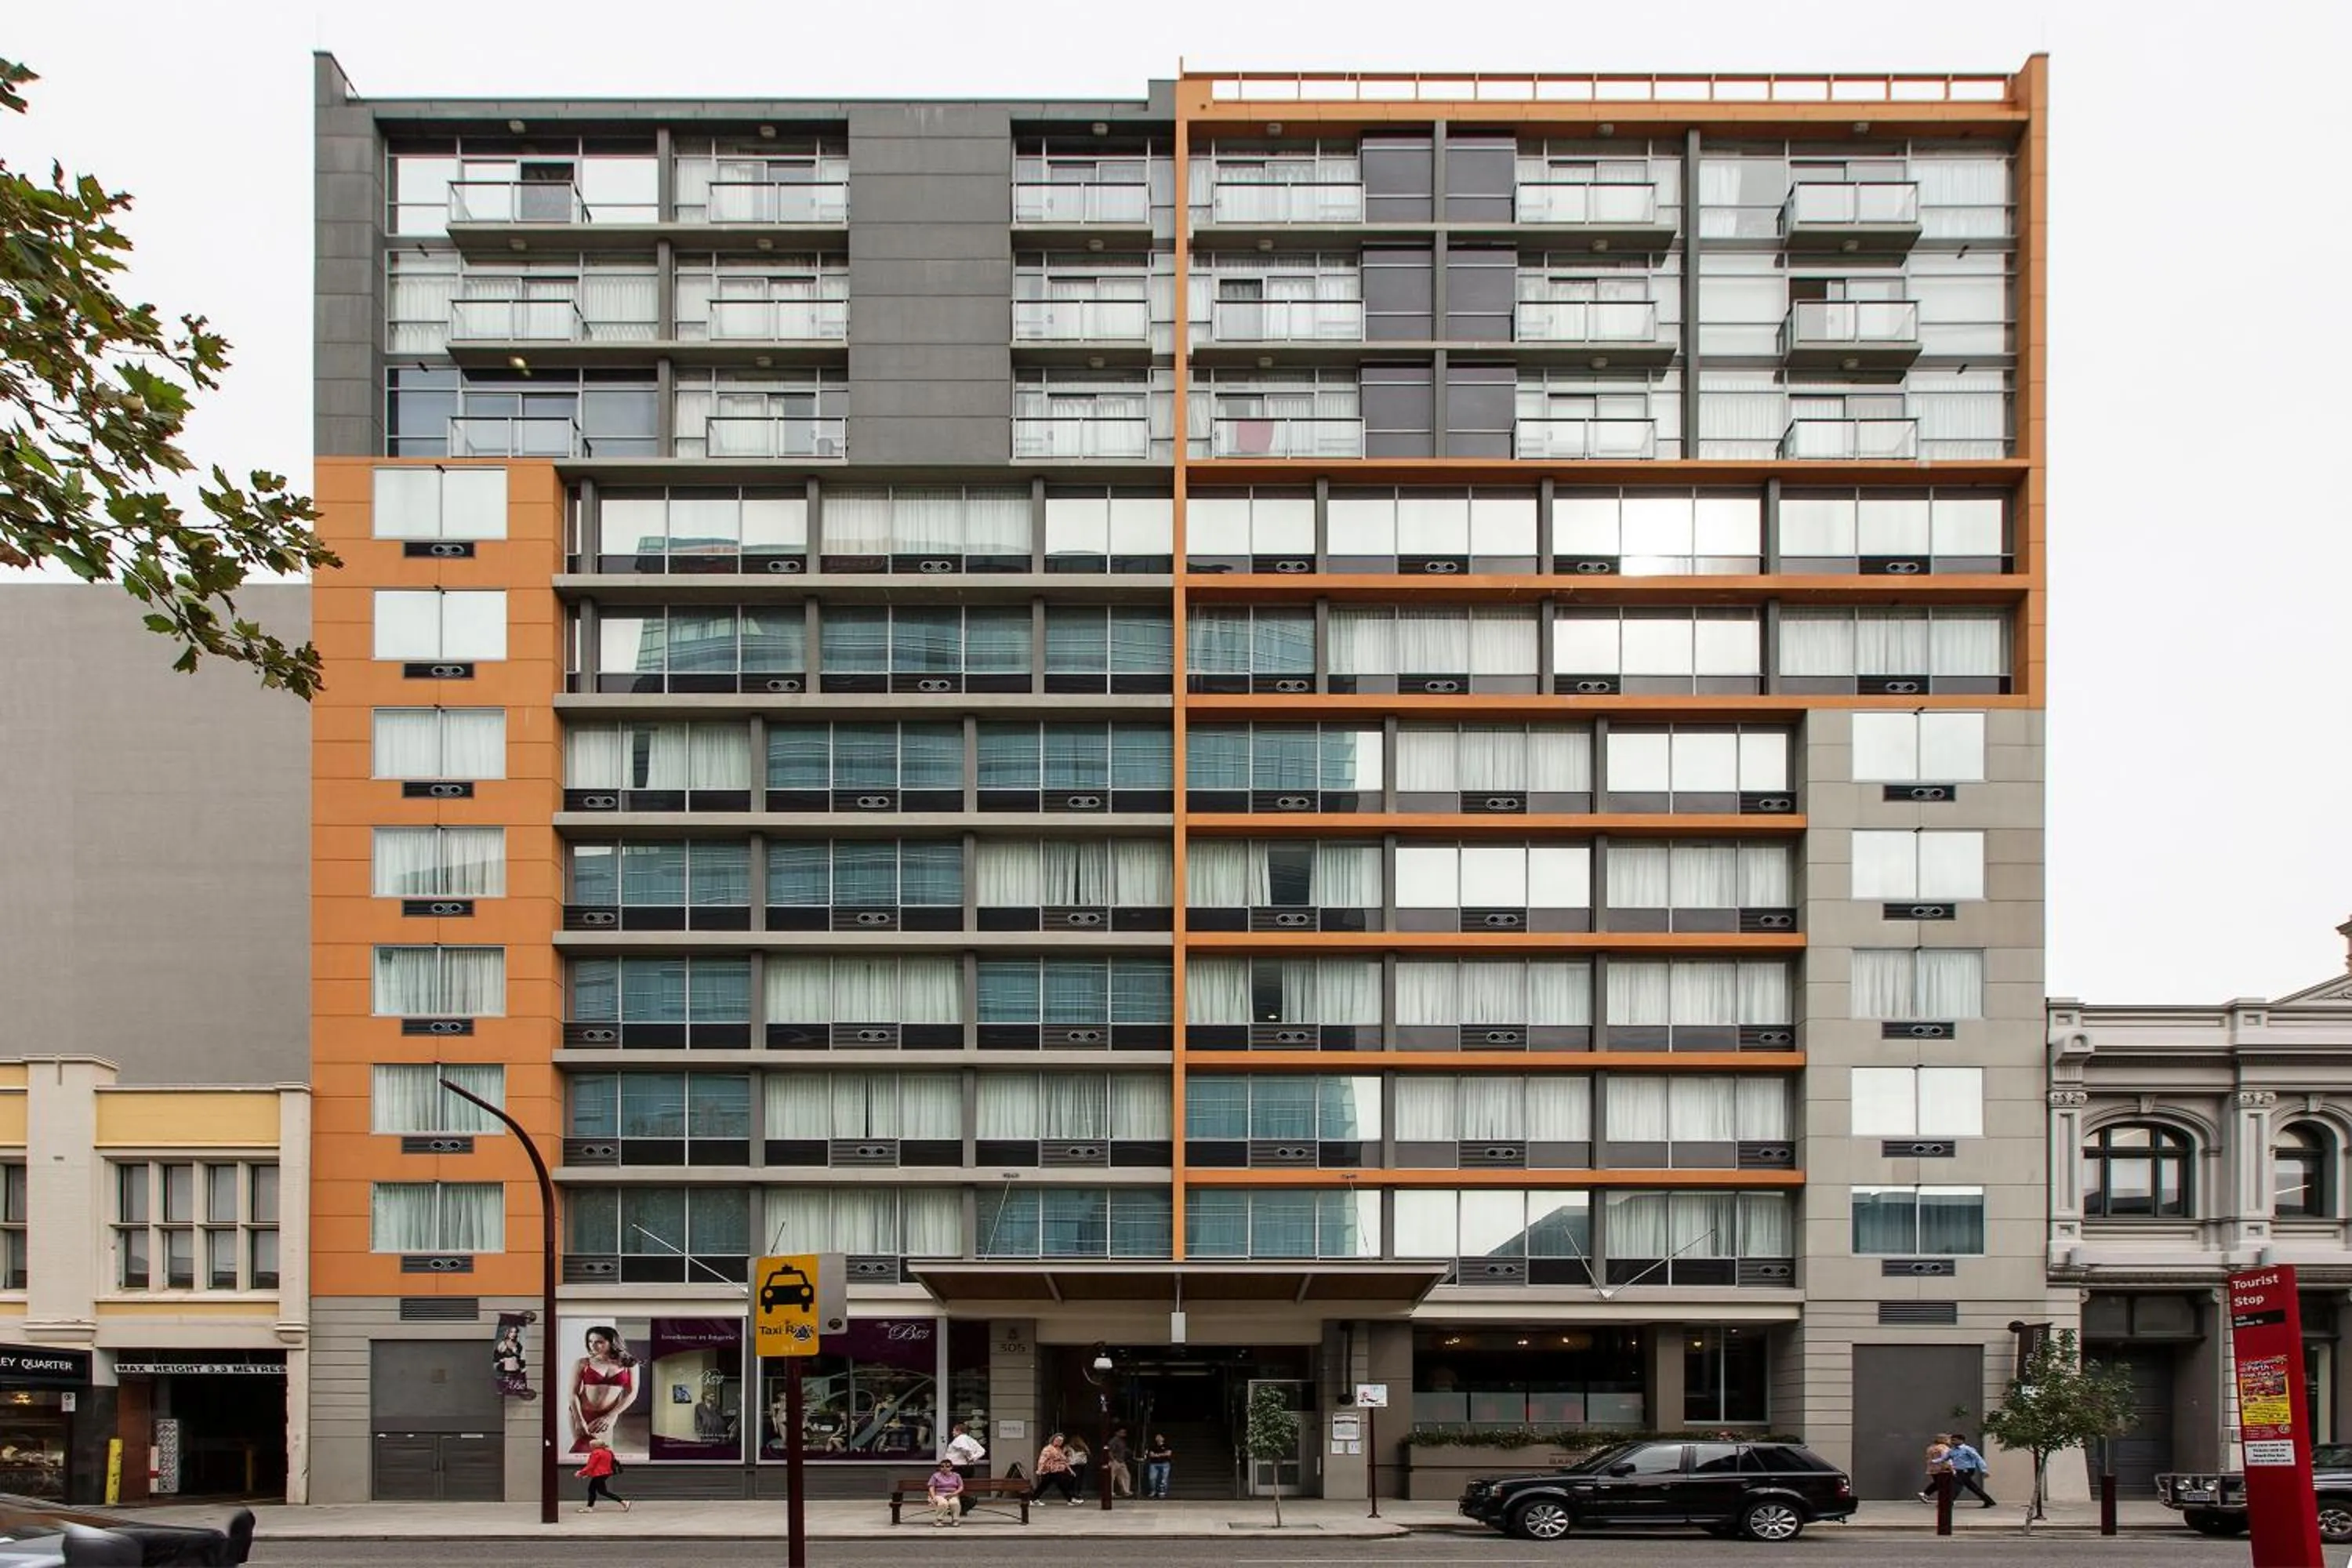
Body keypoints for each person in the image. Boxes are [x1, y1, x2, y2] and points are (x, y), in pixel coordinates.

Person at [568, 1326, 639, 1456]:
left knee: (601, 1453)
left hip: (607, 1415)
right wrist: (579, 1419)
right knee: (581, 1452)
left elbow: (632, 1393)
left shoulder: (629, 1364)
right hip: (581, 1413)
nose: (593, 1346)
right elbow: (573, 1393)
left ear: (611, 1342)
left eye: (599, 1342)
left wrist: (610, 1416)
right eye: (590, 1342)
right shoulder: (583, 1363)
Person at [575, 1436, 630, 1512]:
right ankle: (589, 1507)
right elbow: (601, 1465)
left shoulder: (596, 1453)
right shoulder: (608, 1452)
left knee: (602, 1491)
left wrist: (581, 1473)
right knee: (592, 1489)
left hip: (599, 1474)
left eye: (591, 1445)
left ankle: (624, 1502)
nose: (590, 1446)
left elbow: (591, 1465)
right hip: (606, 1473)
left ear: (595, 1446)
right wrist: (587, 1474)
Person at [943, 1420, 987, 1515]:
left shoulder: (960, 1439)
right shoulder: (970, 1439)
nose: (952, 1432)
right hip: (968, 1468)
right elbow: (982, 1451)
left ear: (959, 1431)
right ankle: (961, 1508)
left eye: (954, 1430)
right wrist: (974, 1458)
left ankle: (967, 1502)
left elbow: (965, 1449)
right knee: (962, 1487)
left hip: (958, 1467)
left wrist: (970, 1457)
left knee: (954, 1487)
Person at [1947, 1432, 1997, 1508]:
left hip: (1967, 1470)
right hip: (1959, 1470)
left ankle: (1949, 1502)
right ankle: (1988, 1501)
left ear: (1961, 1441)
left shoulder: (1968, 1449)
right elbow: (1946, 1457)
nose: (1952, 1442)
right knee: (1972, 1486)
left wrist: (1983, 1470)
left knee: (1957, 1485)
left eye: (1954, 1440)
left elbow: (1978, 1458)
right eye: (1952, 1440)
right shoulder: (1953, 1450)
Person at [1033, 1432, 1080, 1504]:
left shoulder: (1058, 1449)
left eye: (1061, 1441)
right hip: (1050, 1470)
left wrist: (1070, 1470)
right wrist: (1040, 1469)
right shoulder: (1048, 1449)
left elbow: (1064, 1461)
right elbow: (1042, 1459)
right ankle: (1070, 1499)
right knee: (1047, 1485)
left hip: (1057, 1470)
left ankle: (1070, 1499)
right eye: (1058, 1440)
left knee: (1058, 1485)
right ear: (1053, 1440)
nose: (1060, 1442)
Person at [1916, 1433, 1955, 1504]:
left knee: (1938, 1484)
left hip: (1933, 1469)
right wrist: (1951, 1468)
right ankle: (1945, 1500)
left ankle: (1925, 1494)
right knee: (1944, 1485)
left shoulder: (1931, 1448)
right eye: (1949, 1439)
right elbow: (1946, 1459)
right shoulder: (1944, 1448)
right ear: (1944, 1440)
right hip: (1943, 1469)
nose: (1950, 1441)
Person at [927, 1457, 966, 1526]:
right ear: (940, 1468)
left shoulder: (956, 1476)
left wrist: (954, 1494)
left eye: (947, 1466)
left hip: (952, 1494)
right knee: (943, 1503)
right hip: (939, 1494)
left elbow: (961, 1487)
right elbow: (931, 1487)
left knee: (955, 1503)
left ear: (951, 1467)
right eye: (942, 1466)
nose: (945, 1468)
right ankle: (938, 1520)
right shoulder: (936, 1476)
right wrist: (933, 1497)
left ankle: (955, 1520)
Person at [1105, 1426, 1133, 1497]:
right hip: (1115, 1461)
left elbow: (1123, 1450)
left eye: (1124, 1432)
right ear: (1117, 1433)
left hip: (1121, 1461)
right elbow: (1110, 1451)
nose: (1124, 1434)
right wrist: (1113, 1460)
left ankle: (1126, 1491)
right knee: (1112, 1478)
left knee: (1126, 1476)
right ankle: (1110, 1492)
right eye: (1122, 1432)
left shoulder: (1122, 1441)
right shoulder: (1113, 1441)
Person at [1143, 1432, 1174, 1499]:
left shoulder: (1167, 1446)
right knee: (1152, 1478)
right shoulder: (1152, 1446)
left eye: (1160, 1437)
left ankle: (1162, 1492)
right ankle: (1153, 1491)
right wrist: (1162, 1454)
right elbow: (1151, 1455)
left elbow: (1168, 1454)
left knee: (1163, 1479)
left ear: (1163, 1438)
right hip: (1154, 1464)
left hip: (1165, 1464)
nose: (1158, 1438)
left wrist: (1157, 1455)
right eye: (1157, 1437)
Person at [1064, 1432, 1091, 1497]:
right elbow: (1089, 1453)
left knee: (1072, 1478)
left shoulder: (1068, 1446)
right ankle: (1078, 1492)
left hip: (1072, 1464)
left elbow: (1062, 1453)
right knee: (1080, 1478)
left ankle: (1072, 1492)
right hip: (1081, 1464)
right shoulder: (1083, 1446)